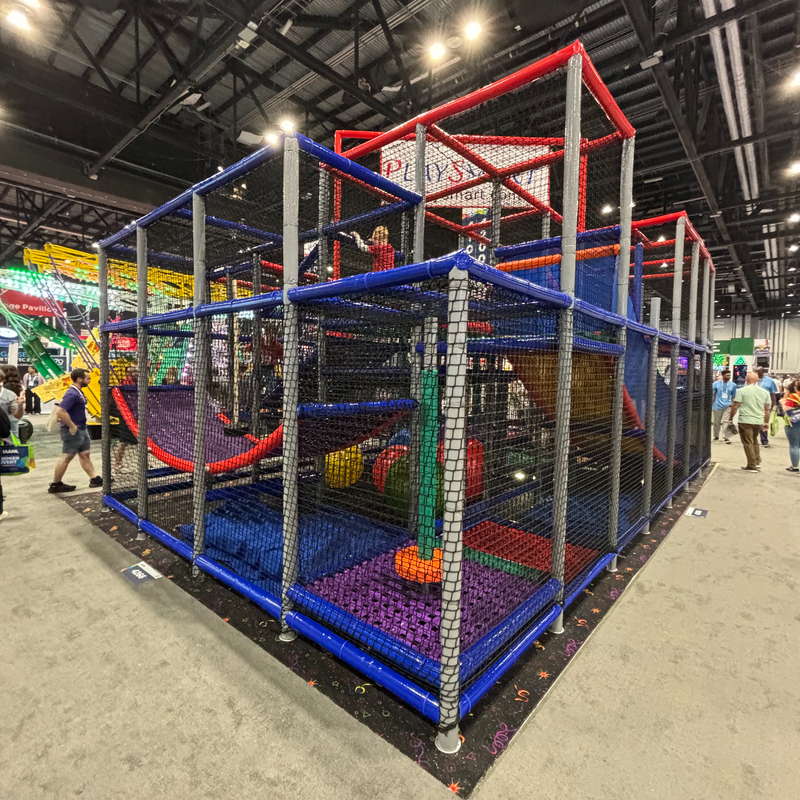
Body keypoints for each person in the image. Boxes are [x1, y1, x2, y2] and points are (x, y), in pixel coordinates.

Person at [49, 368, 102, 493]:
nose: (89, 381)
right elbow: (60, 411)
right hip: (73, 430)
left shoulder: (77, 392)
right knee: (68, 455)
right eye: (87, 378)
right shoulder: (72, 394)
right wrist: (72, 426)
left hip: (81, 428)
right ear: (79, 379)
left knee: (84, 453)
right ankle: (56, 484)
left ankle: (94, 478)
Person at [729, 371, 771, 473]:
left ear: (746, 380)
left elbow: (736, 406)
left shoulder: (741, 391)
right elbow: (767, 409)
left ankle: (751, 465)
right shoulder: (765, 392)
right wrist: (766, 422)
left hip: (745, 420)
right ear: (757, 380)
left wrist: (731, 418)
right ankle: (757, 461)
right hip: (758, 420)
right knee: (754, 440)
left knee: (747, 442)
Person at [711, 369, 737, 443]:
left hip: (728, 405)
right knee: (716, 422)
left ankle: (726, 437)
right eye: (727, 375)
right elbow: (713, 394)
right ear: (723, 376)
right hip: (717, 405)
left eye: (730, 375)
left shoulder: (733, 385)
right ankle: (716, 436)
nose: (729, 377)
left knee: (725, 421)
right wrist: (712, 403)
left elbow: (733, 395)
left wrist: (732, 404)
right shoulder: (716, 384)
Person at [756, 367, 780, 447]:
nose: (756, 372)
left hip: (765, 405)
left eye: (758, 371)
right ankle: (752, 439)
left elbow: (773, 394)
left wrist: (774, 404)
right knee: (753, 422)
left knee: (764, 422)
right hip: (753, 404)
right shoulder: (752, 380)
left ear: (762, 372)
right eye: (755, 371)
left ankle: (764, 440)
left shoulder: (770, 381)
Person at [780, 379, 800, 473]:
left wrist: (782, 403)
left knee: (794, 445)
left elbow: (786, 409)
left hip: (794, 422)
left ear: (795, 388)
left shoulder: (794, 396)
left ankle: (795, 466)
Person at [0, 365, 24, 440]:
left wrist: (20, 406)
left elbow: (17, 415)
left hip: (8, 435)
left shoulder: (10, 395)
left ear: (1, 380)